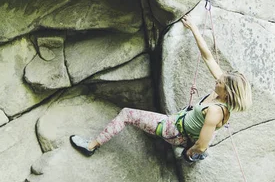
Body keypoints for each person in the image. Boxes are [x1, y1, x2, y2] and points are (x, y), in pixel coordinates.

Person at [70, 14, 252, 162]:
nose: (217, 80)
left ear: (227, 92)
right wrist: (194, 29)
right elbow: (208, 57)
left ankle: (91, 146)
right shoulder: (220, 94)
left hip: (173, 129)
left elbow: (203, 144)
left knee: (127, 114)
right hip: (182, 124)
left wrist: (190, 154)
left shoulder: (215, 112)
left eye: (220, 82)